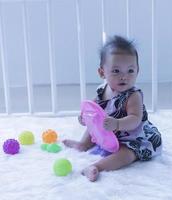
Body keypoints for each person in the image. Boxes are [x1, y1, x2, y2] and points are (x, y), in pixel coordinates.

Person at [62, 35, 162, 182]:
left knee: (127, 154)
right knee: (95, 122)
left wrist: (118, 124)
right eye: (116, 71)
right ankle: (83, 144)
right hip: (109, 131)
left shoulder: (133, 95)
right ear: (102, 72)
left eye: (130, 71)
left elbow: (135, 119)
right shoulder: (102, 90)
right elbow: (93, 111)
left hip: (133, 136)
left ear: (137, 71)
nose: (124, 77)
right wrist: (84, 118)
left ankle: (97, 167)